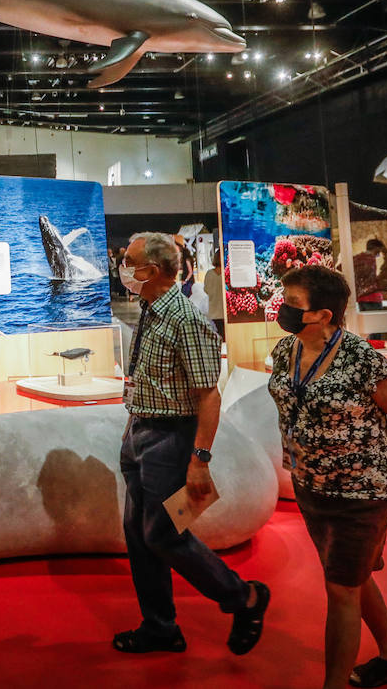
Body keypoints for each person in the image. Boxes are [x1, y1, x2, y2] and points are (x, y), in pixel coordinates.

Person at [111, 231, 269, 656]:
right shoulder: (150, 311)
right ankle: (160, 627)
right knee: (139, 535)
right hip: (139, 431)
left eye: (131, 261)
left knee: (164, 534)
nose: (123, 268)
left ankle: (244, 598)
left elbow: (208, 394)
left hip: (171, 438)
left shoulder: (186, 320)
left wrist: (199, 458)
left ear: (155, 271)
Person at [267, 266, 387, 689]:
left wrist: (362, 457)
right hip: (310, 485)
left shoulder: (361, 358)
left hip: (361, 491)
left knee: (340, 589)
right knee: (353, 579)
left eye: (293, 304)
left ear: (324, 315)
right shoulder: (287, 351)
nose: (282, 309)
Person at [204, 247, 225, 339]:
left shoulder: (209, 273)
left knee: (220, 335)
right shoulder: (226, 273)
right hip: (225, 312)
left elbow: (206, 290)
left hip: (214, 312)